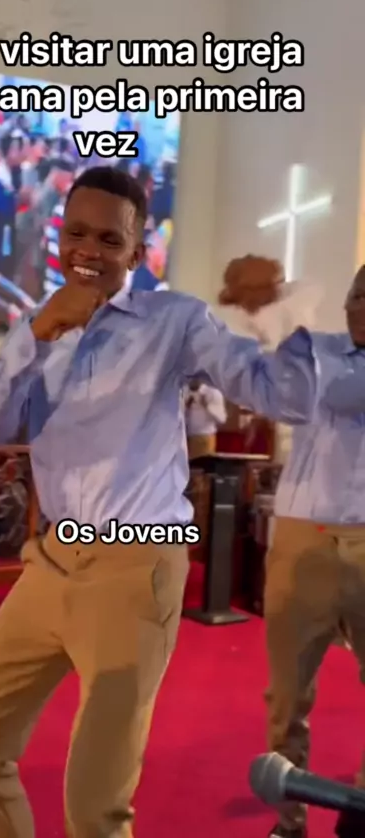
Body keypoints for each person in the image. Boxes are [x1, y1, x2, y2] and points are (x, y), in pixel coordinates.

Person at [0, 166, 319, 838]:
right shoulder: (38, 325)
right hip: (51, 560)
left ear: (137, 253)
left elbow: (282, 395)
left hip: (136, 567)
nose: (89, 250)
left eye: (110, 240)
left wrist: (280, 317)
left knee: (95, 808)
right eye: (77, 234)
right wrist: (37, 335)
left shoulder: (174, 321)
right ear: (59, 237)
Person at [262, 265, 365, 838]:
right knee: (287, 696)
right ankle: (289, 821)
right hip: (304, 538)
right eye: (357, 293)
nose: (361, 305)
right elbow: (314, 392)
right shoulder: (315, 350)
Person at [184, 378, 226, 460]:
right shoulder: (183, 391)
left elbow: (222, 419)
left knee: (202, 465)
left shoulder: (213, 392)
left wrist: (207, 406)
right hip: (185, 438)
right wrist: (185, 407)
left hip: (204, 437)